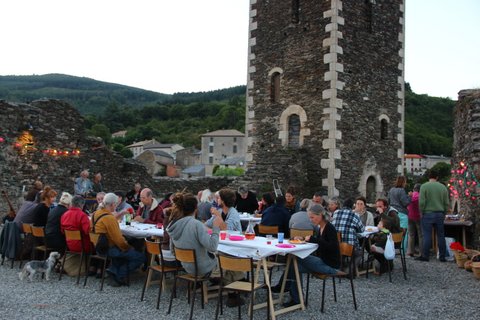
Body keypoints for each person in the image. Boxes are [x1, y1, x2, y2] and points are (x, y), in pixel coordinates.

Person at [284, 204, 346, 307]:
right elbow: (320, 243)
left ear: (320, 215)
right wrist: (304, 239)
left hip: (330, 264)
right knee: (294, 266)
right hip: (323, 261)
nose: (310, 219)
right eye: (309, 217)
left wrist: (313, 239)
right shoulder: (321, 227)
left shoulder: (329, 228)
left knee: (296, 258)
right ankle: (296, 297)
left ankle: (288, 290)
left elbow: (331, 246)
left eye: (312, 217)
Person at [91, 193, 145, 286]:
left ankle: (112, 271)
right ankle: (119, 275)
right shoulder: (109, 218)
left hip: (98, 247)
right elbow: (119, 240)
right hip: (108, 249)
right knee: (140, 257)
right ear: (112, 204)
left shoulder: (96, 214)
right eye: (115, 204)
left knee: (121, 252)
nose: (116, 206)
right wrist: (128, 247)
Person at [416, 170, 449, 262]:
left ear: (428, 177)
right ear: (437, 177)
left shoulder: (424, 186)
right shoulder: (443, 187)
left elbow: (421, 202)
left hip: (427, 213)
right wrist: (444, 212)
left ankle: (425, 256)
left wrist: (421, 212)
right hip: (440, 213)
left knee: (427, 235)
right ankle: (442, 256)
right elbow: (446, 203)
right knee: (441, 235)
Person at [407, 184, 423, 257]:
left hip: (410, 216)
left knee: (411, 234)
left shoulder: (410, 196)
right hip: (418, 217)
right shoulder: (420, 196)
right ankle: (421, 252)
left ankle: (411, 251)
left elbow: (407, 206)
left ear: (414, 189)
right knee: (420, 235)